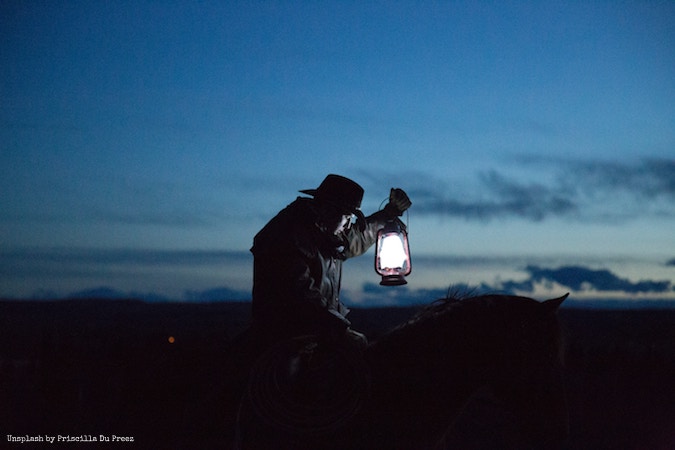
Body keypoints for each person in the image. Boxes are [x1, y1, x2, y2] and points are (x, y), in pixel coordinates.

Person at [249, 174, 411, 352]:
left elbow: (356, 238)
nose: (349, 226)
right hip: (284, 337)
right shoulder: (287, 235)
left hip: (317, 330)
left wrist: (388, 214)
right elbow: (299, 294)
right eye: (348, 218)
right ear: (328, 210)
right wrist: (338, 327)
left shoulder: (323, 232)